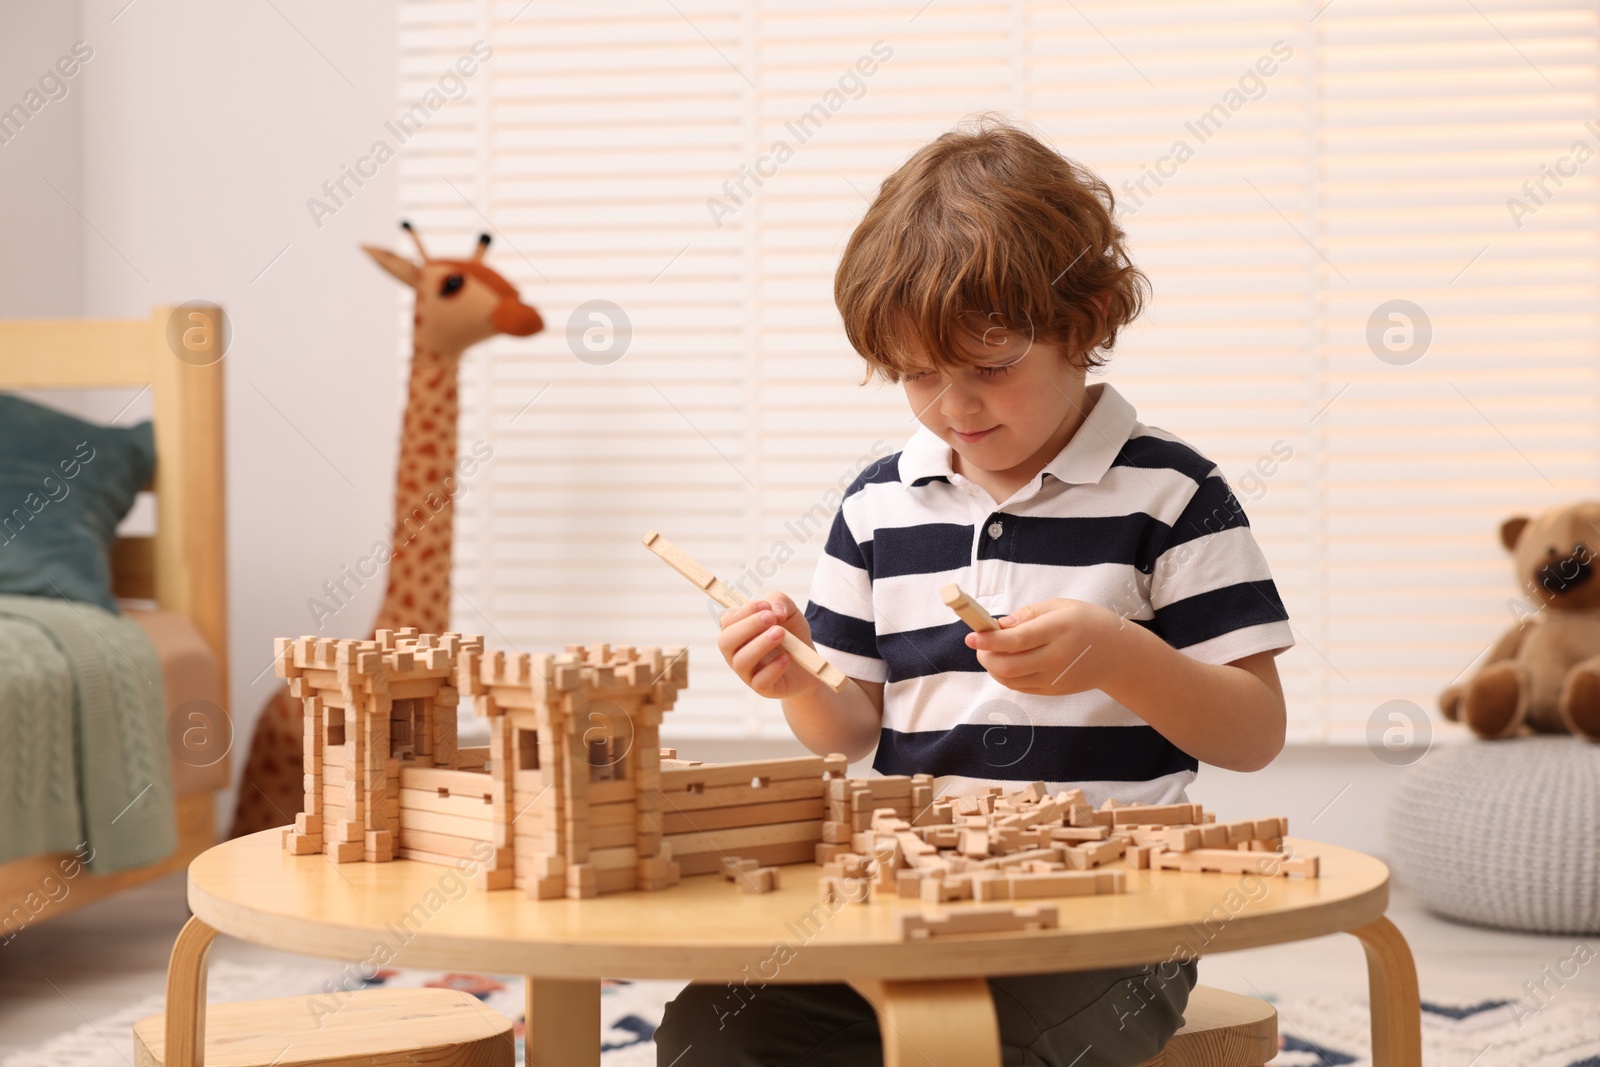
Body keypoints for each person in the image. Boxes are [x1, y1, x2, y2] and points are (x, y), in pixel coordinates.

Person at [655, 115, 1294, 1067]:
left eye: (992, 367)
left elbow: (1252, 733)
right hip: (906, 898)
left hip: (1115, 918)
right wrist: (795, 681)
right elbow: (853, 727)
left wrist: (1119, 654)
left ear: (1091, 319)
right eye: (919, 375)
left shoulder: (1172, 495)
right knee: (714, 1028)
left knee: (992, 1052)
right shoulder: (879, 504)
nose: (956, 406)